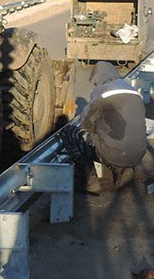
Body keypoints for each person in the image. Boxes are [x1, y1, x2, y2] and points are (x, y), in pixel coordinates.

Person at [63, 61, 148, 193]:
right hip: (138, 154)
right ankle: (126, 169)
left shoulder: (102, 91)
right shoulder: (133, 91)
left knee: (71, 133)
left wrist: (93, 130)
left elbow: (86, 123)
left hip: (114, 154)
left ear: (99, 78)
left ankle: (93, 178)